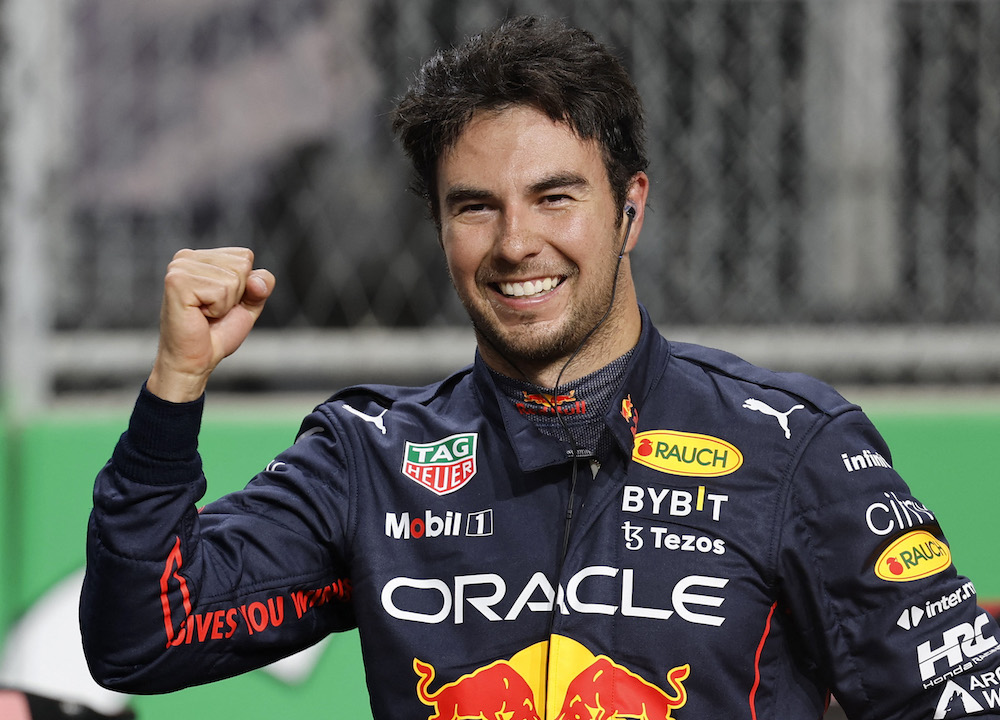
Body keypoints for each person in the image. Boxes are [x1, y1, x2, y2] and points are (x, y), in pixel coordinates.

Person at [81, 15, 1000, 720]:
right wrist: (175, 389)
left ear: (630, 209)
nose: (516, 243)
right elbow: (140, 638)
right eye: (475, 207)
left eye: (555, 197)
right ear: (439, 227)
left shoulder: (796, 450)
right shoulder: (369, 459)